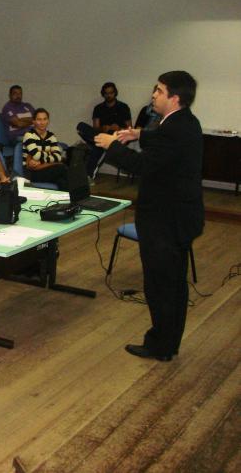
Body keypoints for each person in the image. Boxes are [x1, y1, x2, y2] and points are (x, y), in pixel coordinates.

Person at [94, 71, 203, 362]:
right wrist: (137, 133)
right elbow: (161, 138)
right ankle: (170, 342)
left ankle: (160, 346)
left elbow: (142, 165)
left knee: (161, 286)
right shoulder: (185, 122)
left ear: (174, 98)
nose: (153, 94)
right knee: (174, 285)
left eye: (159, 90)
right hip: (180, 217)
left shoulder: (175, 129)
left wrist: (112, 145)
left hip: (165, 221)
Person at [80, 82, 132, 177]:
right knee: (81, 126)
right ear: (103, 94)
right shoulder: (98, 108)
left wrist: (119, 128)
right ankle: (99, 144)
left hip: (117, 137)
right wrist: (103, 128)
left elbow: (130, 129)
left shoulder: (123, 107)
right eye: (106, 93)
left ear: (115, 93)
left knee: (97, 147)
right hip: (101, 134)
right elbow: (95, 128)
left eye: (111, 93)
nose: (109, 95)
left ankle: (89, 174)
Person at [21, 109, 68, 191]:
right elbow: (36, 156)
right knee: (62, 168)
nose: (42, 122)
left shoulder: (51, 136)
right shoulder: (29, 135)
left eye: (45, 119)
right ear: (34, 121)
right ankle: (78, 199)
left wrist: (40, 162)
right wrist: (50, 154)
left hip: (47, 169)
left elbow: (58, 156)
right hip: (32, 173)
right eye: (39, 119)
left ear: (48, 121)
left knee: (62, 181)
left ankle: (67, 202)